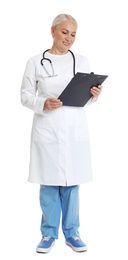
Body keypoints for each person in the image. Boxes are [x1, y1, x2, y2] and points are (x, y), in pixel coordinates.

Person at [20, 13, 102, 253]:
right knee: (48, 184)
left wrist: (95, 94)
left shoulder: (82, 60)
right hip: (48, 130)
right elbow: (25, 96)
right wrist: (43, 103)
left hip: (73, 129)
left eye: (73, 34)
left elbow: (87, 98)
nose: (69, 38)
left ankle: (72, 232)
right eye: (65, 32)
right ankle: (48, 234)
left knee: (71, 184)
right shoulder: (35, 61)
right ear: (53, 31)